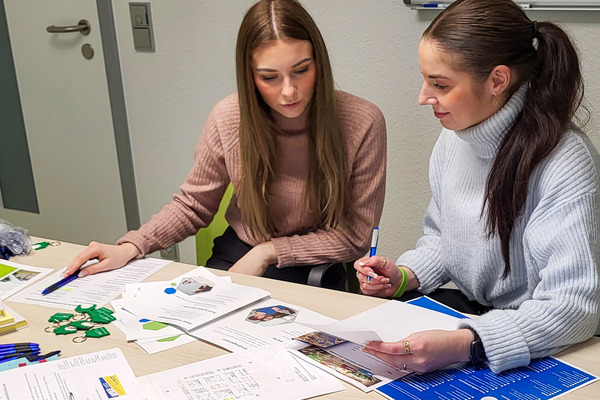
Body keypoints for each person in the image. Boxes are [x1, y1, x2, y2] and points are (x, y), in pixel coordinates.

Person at [65, 0, 386, 291]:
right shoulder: (229, 117)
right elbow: (193, 206)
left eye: (301, 70)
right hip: (239, 250)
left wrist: (268, 252)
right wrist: (131, 247)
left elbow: (355, 237)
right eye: (269, 77)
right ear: (249, 76)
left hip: (315, 264)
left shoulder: (362, 121)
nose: (289, 91)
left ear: (319, 62)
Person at [355, 0, 600, 374]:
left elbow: (573, 306)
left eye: (439, 84)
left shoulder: (564, 161)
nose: (423, 97)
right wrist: (403, 276)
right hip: (475, 322)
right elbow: (444, 240)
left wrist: (467, 343)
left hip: (542, 340)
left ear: (497, 81)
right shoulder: (454, 139)